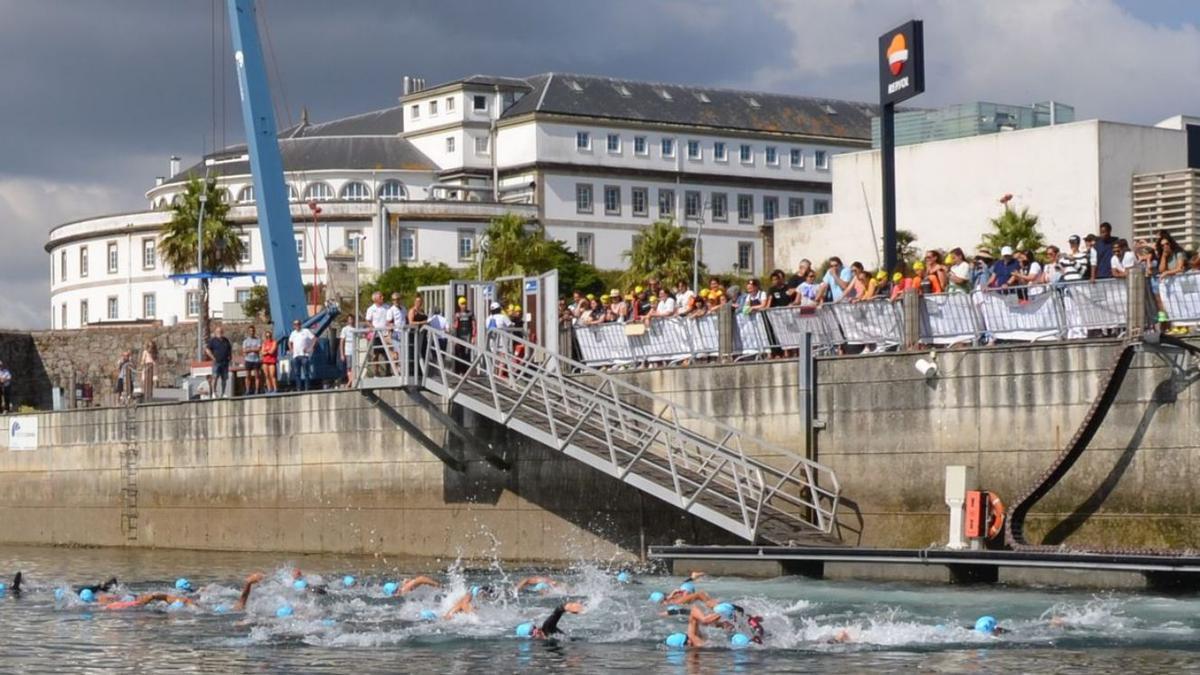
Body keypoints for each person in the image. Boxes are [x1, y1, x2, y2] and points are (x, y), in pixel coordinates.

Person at [515, 601, 585, 639]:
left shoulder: (547, 627)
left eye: (534, 627)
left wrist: (569, 607)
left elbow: (558, 610)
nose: (536, 631)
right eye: (531, 632)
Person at [365, 292, 391, 376]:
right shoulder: (371, 309)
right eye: (380, 296)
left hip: (386, 335)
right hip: (376, 335)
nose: (382, 297)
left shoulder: (387, 307)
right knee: (375, 354)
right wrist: (373, 328)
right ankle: (376, 372)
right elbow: (368, 321)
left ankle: (388, 372)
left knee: (389, 353)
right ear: (375, 299)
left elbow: (390, 320)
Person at [288, 319, 316, 391]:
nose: (297, 325)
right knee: (297, 374)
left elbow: (314, 338)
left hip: (304, 356)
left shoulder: (306, 331)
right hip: (296, 356)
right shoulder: (293, 333)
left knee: (306, 373)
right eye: (295, 324)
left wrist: (310, 348)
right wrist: (291, 350)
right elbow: (289, 342)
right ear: (294, 326)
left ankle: (307, 388)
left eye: (298, 324)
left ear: (300, 324)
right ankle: (299, 389)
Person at [205, 326, 233, 398]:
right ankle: (214, 392)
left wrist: (230, 356)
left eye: (221, 331)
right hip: (216, 362)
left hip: (225, 362)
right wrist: (212, 357)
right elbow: (207, 350)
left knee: (224, 378)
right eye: (218, 331)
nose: (219, 333)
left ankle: (223, 393)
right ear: (215, 332)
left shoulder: (226, 340)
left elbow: (229, 349)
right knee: (215, 377)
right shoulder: (213, 340)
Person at [451, 296, 475, 374]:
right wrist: (454, 338)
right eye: (462, 304)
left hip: (468, 335)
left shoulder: (470, 314)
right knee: (459, 353)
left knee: (467, 353)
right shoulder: (457, 314)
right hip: (459, 336)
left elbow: (474, 325)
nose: (463, 305)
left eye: (464, 303)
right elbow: (454, 327)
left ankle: (466, 372)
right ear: (459, 305)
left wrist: (474, 337)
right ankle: (459, 371)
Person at [242, 325, 263, 396]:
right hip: (248, 360)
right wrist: (253, 349)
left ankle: (256, 390)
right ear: (248, 332)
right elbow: (244, 350)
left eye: (253, 331)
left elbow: (259, 349)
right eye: (250, 331)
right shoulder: (245, 341)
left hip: (256, 360)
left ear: (254, 331)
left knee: (257, 375)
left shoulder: (258, 340)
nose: (252, 332)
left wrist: (249, 349)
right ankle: (248, 390)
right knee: (248, 376)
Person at [339, 317, 357, 387]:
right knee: (349, 367)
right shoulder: (345, 329)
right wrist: (342, 354)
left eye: (352, 319)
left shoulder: (356, 328)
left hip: (355, 350)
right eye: (349, 319)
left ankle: (350, 382)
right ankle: (350, 382)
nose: (351, 320)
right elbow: (341, 342)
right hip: (348, 350)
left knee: (354, 367)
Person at [261, 329, 278, 393]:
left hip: (272, 361)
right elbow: (262, 352)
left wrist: (266, 351)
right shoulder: (264, 343)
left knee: (272, 375)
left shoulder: (274, 342)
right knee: (266, 375)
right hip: (265, 361)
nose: (268, 338)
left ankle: (275, 388)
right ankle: (269, 388)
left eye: (269, 336)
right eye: (267, 337)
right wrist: (267, 351)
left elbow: (272, 351)